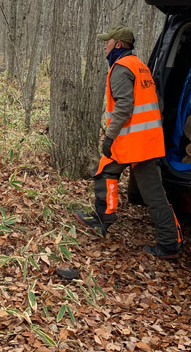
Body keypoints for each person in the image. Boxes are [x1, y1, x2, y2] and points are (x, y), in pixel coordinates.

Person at [75, 25, 183, 259]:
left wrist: (110, 137)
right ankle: (167, 242)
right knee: (149, 192)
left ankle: (107, 220)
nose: (105, 46)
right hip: (148, 140)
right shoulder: (141, 67)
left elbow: (124, 106)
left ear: (119, 45)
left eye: (108, 42)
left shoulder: (121, 68)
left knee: (107, 173)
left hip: (132, 142)